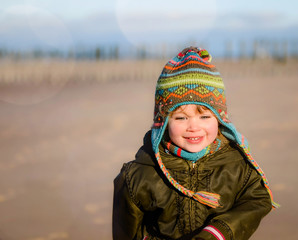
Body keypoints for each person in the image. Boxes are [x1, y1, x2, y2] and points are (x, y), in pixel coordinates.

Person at [112, 47, 278, 240]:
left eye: (205, 116)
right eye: (181, 118)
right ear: (163, 122)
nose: (194, 127)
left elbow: (258, 199)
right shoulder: (138, 175)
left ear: (221, 120)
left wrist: (219, 232)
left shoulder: (236, 166)